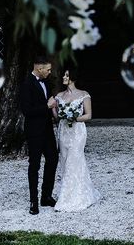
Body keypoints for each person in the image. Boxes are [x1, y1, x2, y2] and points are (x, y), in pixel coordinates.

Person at [50, 68, 100, 211]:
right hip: (64, 131)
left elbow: (88, 115)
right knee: (65, 161)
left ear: (73, 77)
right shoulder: (59, 95)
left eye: (67, 75)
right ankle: (67, 193)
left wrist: (74, 117)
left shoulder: (84, 95)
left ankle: (77, 197)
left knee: (75, 159)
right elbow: (57, 118)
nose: (64, 77)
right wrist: (53, 108)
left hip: (77, 131)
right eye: (64, 75)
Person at [20, 56, 58, 215]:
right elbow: (27, 111)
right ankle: (33, 201)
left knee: (53, 159)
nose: (49, 72)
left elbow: (50, 104)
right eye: (48, 69)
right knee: (34, 165)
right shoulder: (26, 84)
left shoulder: (46, 82)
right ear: (39, 68)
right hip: (34, 131)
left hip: (48, 130)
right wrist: (46, 106)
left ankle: (46, 196)